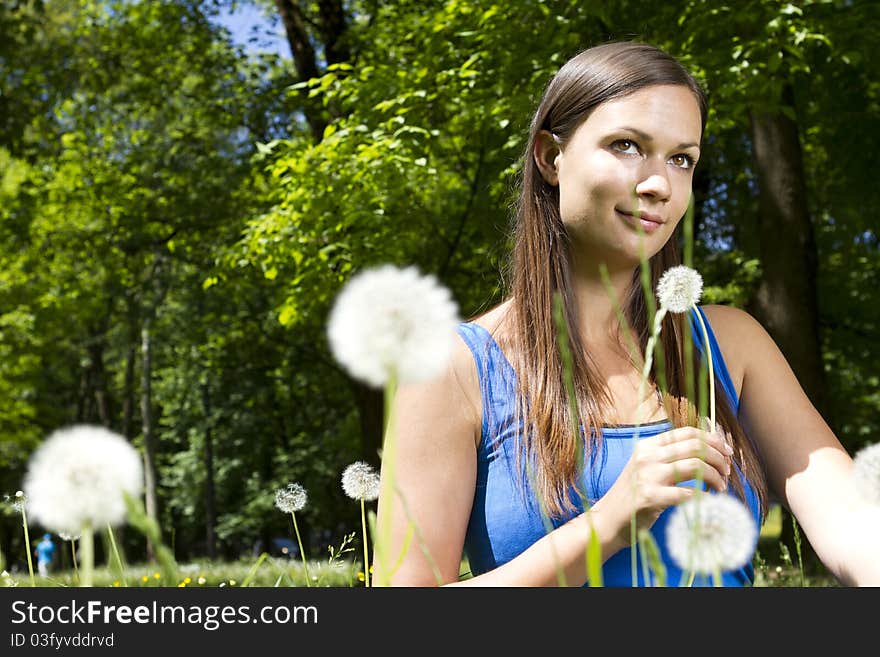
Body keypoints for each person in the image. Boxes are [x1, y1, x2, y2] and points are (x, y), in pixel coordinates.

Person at [371, 40, 880, 587]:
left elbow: (852, 522)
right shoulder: (453, 366)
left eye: (682, 159)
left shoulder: (733, 345)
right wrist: (609, 523)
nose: (659, 184)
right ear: (550, 158)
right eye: (627, 145)